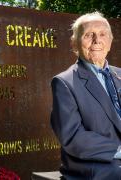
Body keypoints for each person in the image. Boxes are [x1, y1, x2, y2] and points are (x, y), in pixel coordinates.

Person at [51, 12, 121, 180]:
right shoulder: (64, 82)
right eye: (89, 35)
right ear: (74, 43)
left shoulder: (120, 75)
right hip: (96, 167)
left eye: (103, 34)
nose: (97, 40)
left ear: (110, 42)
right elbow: (74, 136)